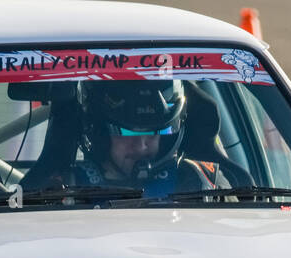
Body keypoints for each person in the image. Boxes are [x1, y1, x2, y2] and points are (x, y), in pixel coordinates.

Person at [70, 80, 231, 197]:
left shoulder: (204, 183)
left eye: (156, 133)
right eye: (128, 133)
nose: (141, 146)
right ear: (99, 134)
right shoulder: (66, 190)